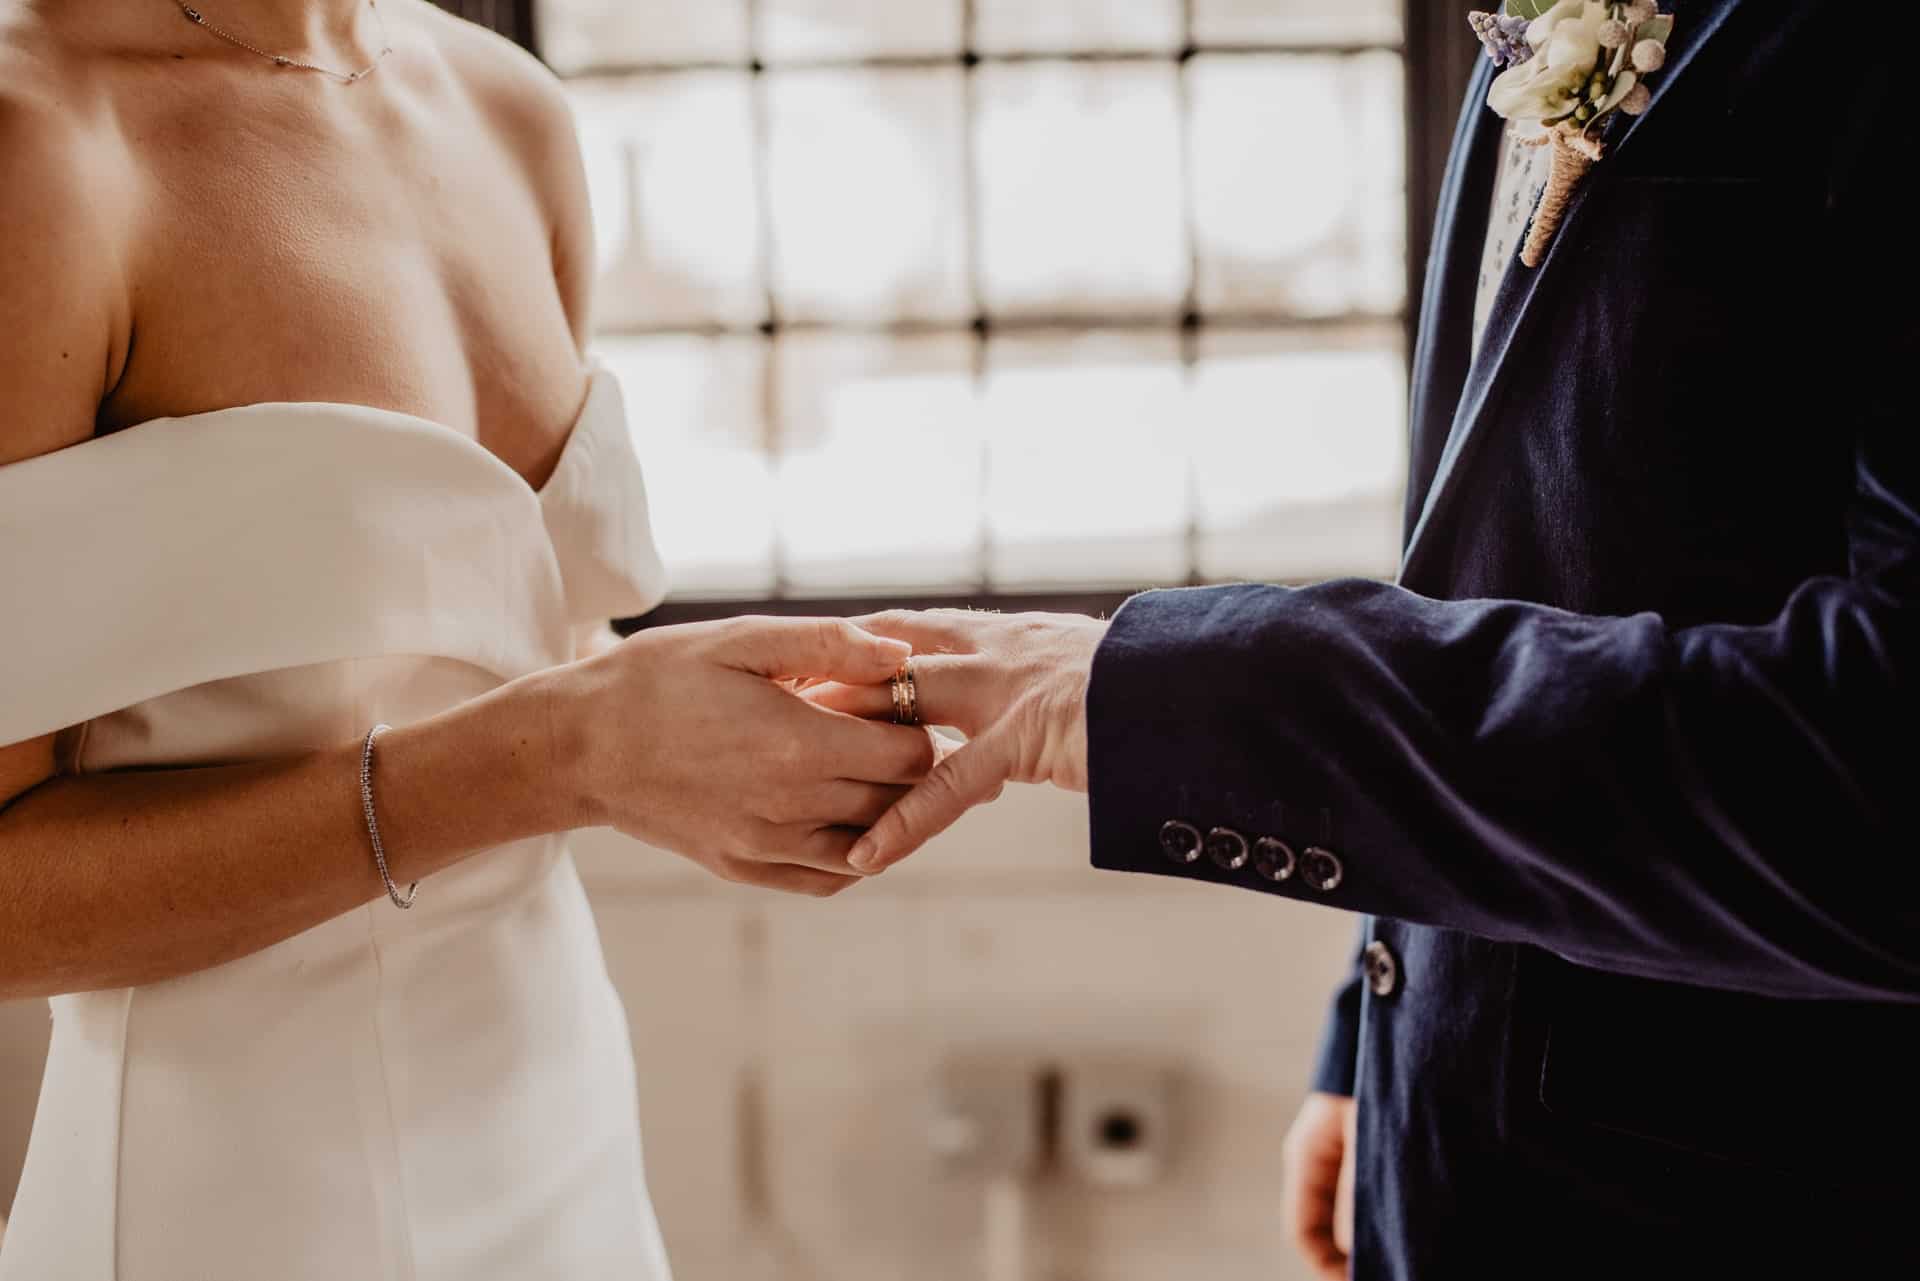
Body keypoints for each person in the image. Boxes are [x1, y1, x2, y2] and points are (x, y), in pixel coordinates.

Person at [831, 2, 1920, 1275]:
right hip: (1461, 1124)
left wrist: (1163, 690)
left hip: (1763, 1192)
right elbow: (1515, 538)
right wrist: (1379, 1018)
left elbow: (1881, 766)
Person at [0, 2, 933, 1277]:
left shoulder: (507, 107)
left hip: (562, 1128)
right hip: (238, 1201)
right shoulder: (37, 143)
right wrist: (564, 754)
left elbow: (517, 641)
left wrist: (742, 733)